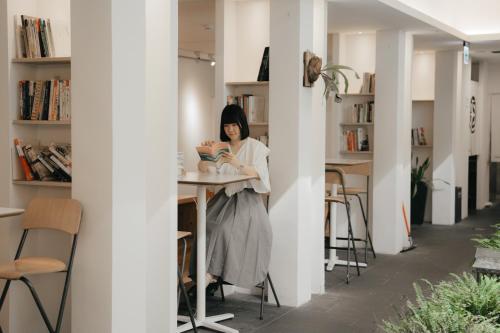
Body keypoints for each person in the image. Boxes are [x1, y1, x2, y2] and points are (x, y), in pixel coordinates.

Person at [197, 104, 272, 289]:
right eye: (226, 126)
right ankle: (204, 274)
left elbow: (259, 174)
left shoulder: (256, 147)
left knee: (222, 229)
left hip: (248, 200)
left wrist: (238, 163)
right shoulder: (222, 147)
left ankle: (211, 273)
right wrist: (206, 155)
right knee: (204, 225)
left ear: (242, 124)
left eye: (234, 125)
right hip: (225, 198)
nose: (230, 129)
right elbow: (204, 169)